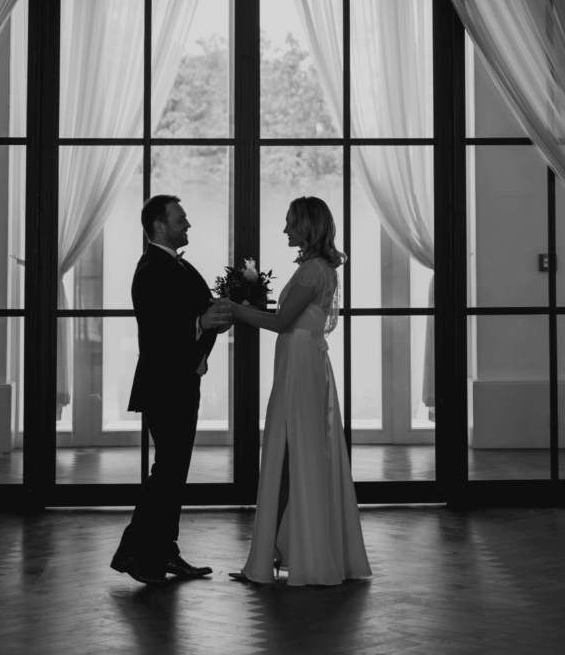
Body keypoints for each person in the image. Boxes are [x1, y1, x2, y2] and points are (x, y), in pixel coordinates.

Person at [228, 196, 372, 586]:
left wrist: (236, 309)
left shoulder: (312, 271)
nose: (285, 229)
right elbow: (286, 320)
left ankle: (282, 550)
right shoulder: (321, 268)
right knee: (296, 452)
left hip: (300, 362)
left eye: (291, 223)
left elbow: (281, 322)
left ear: (308, 227)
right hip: (302, 360)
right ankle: (288, 547)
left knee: (292, 451)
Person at [110, 194, 233, 585]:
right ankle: (133, 553)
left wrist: (214, 317)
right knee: (167, 472)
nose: (188, 225)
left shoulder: (177, 265)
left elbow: (197, 314)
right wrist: (202, 321)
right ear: (159, 225)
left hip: (181, 381)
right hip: (165, 385)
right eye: (181, 219)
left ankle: (164, 552)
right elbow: (158, 327)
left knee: (173, 472)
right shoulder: (151, 268)